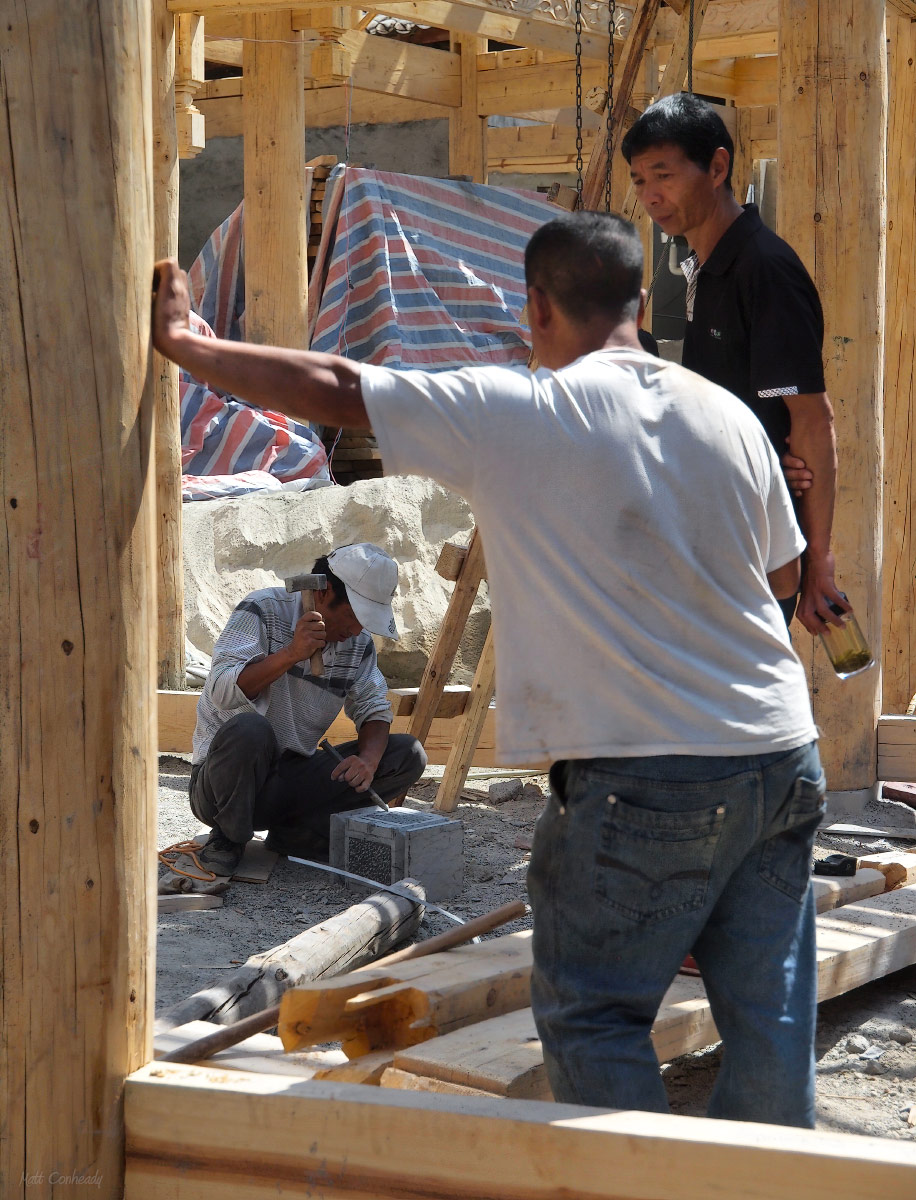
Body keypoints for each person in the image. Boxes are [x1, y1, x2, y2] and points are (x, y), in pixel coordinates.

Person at [152, 212, 825, 1127]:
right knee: (772, 1022)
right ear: (639, 300)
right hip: (784, 756)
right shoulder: (728, 415)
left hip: (647, 769)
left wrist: (191, 345)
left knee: (594, 1016)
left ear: (536, 308)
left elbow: (339, 385)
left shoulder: (526, 407)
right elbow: (784, 576)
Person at [622, 93, 846, 636]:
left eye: (664, 175)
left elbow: (812, 420)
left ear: (717, 167)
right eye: (638, 180)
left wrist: (819, 561)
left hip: (760, 555)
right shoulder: (704, 265)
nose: (651, 196)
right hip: (712, 540)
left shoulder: (763, 270)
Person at [186, 543, 427, 878]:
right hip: (222, 784)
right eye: (355, 616)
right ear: (325, 593)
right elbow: (223, 693)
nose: (358, 630)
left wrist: (369, 762)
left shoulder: (357, 644)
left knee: (407, 754)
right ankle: (227, 838)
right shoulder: (262, 609)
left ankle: (296, 833)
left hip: (287, 779)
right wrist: (291, 654)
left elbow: (373, 706)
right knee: (250, 729)